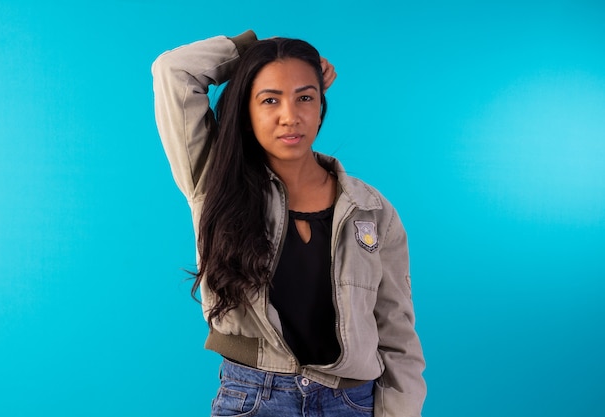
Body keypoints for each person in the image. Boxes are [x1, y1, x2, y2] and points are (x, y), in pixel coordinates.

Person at [152, 30, 426, 417]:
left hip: (352, 403)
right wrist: (252, 51)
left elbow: (397, 333)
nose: (290, 116)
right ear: (247, 110)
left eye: (305, 97)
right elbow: (172, 70)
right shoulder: (214, 180)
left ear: (321, 107)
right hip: (253, 397)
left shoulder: (372, 210)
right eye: (270, 100)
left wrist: (400, 410)